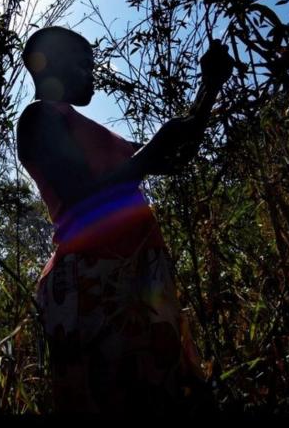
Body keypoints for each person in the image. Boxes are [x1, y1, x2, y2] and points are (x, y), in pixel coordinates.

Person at [16, 26, 234, 413]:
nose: (92, 74)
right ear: (51, 63)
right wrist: (156, 145)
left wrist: (209, 88)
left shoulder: (98, 134)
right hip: (93, 279)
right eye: (85, 64)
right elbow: (83, 195)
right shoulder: (38, 119)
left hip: (135, 276)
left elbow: (174, 157)